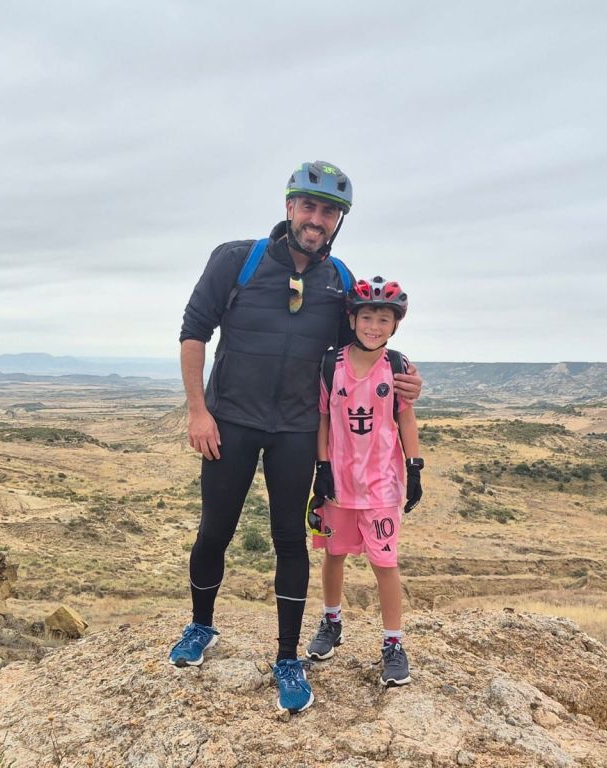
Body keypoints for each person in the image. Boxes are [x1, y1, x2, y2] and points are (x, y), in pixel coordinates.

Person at [170, 161, 422, 714]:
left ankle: (288, 657)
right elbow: (193, 331)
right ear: (289, 207)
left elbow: (361, 347)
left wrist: (405, 377)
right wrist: (197, 411)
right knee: (215, 530)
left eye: (329, 211)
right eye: (308, 206)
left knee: (289, 537)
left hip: (296, 429)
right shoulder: (237, 259)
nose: (317, 218)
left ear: (338, 220)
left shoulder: (339, 280)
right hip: (230, 421)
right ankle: (201, 626)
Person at [305, 276, 423, 687]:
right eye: (367, 317)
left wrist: (415, 467)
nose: (374, 326)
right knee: (333, 554)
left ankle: (393, 643)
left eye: (384, 319)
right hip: (339, 483)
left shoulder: (397, 366)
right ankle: (331, 621)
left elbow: (405, 417)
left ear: (395, 325)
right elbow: (323, 418)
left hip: (382, 485)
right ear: (352, 320)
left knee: (385, 564)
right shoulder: (331, 365)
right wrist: (321, 468)